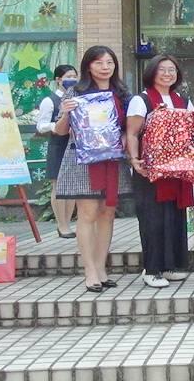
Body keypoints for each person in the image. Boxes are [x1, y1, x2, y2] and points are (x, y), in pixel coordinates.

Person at [54, 46, 132, 293]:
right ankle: (89, 270)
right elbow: (60, 131)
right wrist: (65, 114)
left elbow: (127, 127)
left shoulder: (121, 93)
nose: (105, 67)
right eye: (99, 63)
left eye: (109, 62)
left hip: (112, 160)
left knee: (107, 213)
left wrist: (125, 138)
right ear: (88, 66)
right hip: (83, 160)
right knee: (87, 213)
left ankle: (101, 267)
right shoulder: (74, 91)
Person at [126, 55, 194, 288]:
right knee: (152, 219)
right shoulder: (141, 100)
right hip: (150, 170)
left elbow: (192, 130)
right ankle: (151, 269)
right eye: (162, 69)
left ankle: (169, 265)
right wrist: (134, 160)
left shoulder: (183, 100)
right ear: (152, 72)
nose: (167, 74)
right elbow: (133, 133)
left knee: (174, 217)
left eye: (172, 70)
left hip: (177, 169)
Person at [36, 64, 78, 238]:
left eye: (75, 76)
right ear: (58, 79)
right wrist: (58, 125)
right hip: (58, 144)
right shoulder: (50, 100)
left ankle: (68, 222)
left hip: (74, 145)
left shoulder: (77, 97)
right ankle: (62, 225)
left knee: (73, 187)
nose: (72, 79)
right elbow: (41, 126)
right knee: (59, 186)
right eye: (68, 76)